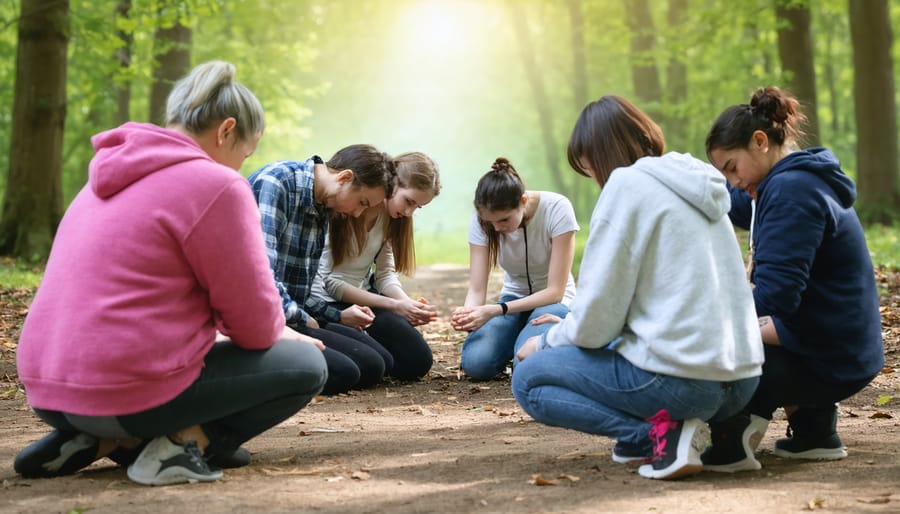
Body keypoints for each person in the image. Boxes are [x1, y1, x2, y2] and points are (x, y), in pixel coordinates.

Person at [13, 61, 328, 486]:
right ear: (226, 131)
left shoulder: (102, 177)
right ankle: (180, 446)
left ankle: (98, 440)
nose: (239, 168)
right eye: (244, 154)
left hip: (50, 389)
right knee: (307, 364)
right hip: (125, 393)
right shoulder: (217, 185)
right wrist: (281, 331)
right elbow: (254, 328)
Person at [511, 95, 764, 480]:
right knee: (600, 343)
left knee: (529, 379)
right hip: (742, 379)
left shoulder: (625, 186)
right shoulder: (694, 180)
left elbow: (598, 317)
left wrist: (545, 343)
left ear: (598, 154)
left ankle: (659, 436)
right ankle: (718, 434)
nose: (593, 178)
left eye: (587, 166)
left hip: (686, 383)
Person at [701, 86, 884, 472]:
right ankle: (814, 432)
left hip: (830, 355)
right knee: (750, 325)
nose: (732, 181)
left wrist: (704, 318)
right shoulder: (792, 180)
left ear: (760, 142)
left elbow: (774, 298)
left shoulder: (791, 192)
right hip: (845, 344)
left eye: (731, 168)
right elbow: (734, 206)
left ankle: (730, 439)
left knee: (716, 343)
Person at [248, 144, 396, 395]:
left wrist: (335, 315)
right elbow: (260, 275)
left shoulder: (322, 206)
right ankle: (251, 372)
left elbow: (301, 288)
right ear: (344, 177)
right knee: (347, 372)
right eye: (361, 202)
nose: (358, 213)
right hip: (261, 317)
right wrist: (303, 318)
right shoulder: (276, 183)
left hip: (293, 315)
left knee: (377, 363)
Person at [310, 152, 441, 381]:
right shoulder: (347, 207)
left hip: (363, 300)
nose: (409, 213)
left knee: (417, 360)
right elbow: (329, 281)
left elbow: (384, 275)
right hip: (328, 302)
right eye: (409, 201)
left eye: (417, 207)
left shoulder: (392, 219)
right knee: (377, 364)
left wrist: (405, 303)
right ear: (392, 184)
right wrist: (394, 305)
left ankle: (364, 346)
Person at [451, 157, 579, 381]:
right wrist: (469, 316)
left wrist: (495, 310)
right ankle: (518, 336)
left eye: (503, 220)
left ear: (523, 200)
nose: (497, 228)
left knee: (526, 365)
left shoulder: (557, 208)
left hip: (554, 302)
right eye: (491, 222)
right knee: (476, 364)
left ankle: (525, 340)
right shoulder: (484, 218)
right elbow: (477, 287)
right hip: (512, 299)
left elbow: (555, 291)